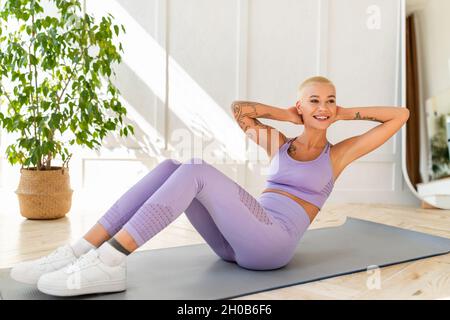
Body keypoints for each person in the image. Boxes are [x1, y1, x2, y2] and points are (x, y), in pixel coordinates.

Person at [10, 76, 410, 296]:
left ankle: (110, 262)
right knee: (172, 165)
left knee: (197, 169)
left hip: (272, 245)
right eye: (314, 100)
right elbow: (241, 110)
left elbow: (400, 115)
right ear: (300, 106)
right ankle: (79, 251)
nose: (324, 107)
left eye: (330, 101)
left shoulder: (337, 155)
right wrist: (284, 114)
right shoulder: (280, 143)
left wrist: (344, 112)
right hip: (234, 244)